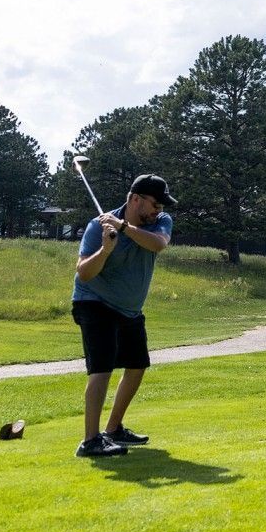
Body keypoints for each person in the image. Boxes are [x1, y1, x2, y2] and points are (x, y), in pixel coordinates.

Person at [70, 173, 177, 458]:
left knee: (137, 365)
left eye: (162, 205)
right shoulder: (98, 227)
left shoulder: (159, 224)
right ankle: (90, 441)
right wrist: (106, 249)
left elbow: (158, 244)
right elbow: (84, 272)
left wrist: (125, 227)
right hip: (94, 302)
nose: (159, 210)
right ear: (135, 199)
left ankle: (113, 429)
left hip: (129, 309)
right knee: (101, 369)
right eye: (155, 203)